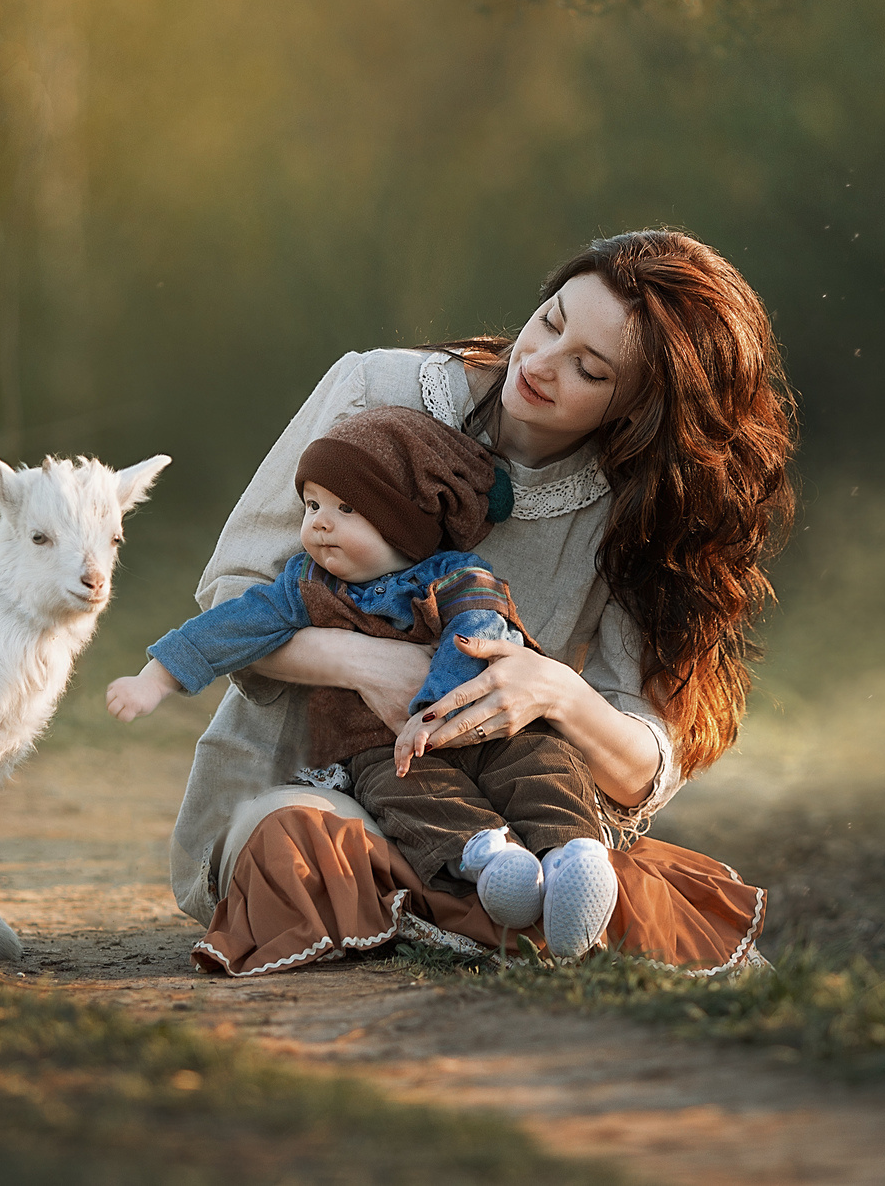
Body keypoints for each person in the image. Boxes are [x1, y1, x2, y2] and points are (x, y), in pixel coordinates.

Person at [171, 230, 794, 977]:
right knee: (300, 842)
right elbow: (231, 594)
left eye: (588, 369)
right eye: (552, 321)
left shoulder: (634, 510)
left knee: (561, 862)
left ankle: (504, 893)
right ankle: (493, 907)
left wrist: (555, 690)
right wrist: (371, 663)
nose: (537, 363)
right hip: (308, 782)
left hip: (499, 812)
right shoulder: (375, 388)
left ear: (639, 412)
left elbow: (639, 767)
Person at [106, 406, 624, 954]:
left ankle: (575, 858)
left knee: (543, 764)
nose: (319, 523)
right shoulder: (305, 586)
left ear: (402, 521)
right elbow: (231, 626)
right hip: (385, 751)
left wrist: (429, 713)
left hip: (492, 731)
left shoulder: (461, 576)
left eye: (346, 508)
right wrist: (156, 677)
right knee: (405, 796)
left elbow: (475, 637)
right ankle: (493, 860)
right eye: (312, 505)